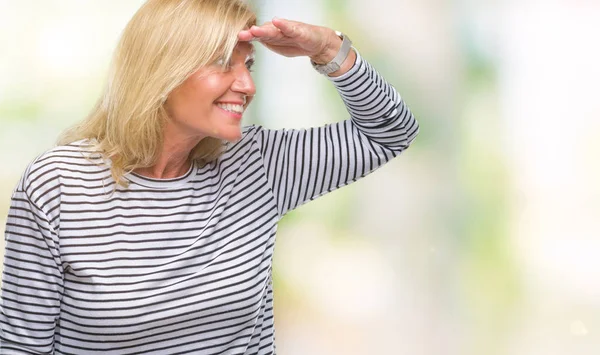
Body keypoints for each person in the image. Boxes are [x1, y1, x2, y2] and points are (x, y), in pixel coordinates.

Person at [0, 0, 418, 353]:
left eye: (248, 63)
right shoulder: (57, 185)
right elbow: (20, 346)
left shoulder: (257, 165)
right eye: (223, 63)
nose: (248, 84)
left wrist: (329, 48)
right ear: (161, 70)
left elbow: (392, 132)